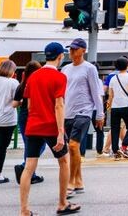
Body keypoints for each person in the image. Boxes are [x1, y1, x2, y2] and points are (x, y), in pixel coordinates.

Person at [19, 42, 79, 216]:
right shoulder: (60, 77)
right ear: (60, 57)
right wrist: (61, 132)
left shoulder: (33, 76)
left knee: (29, 166)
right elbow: (59, 105)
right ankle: (62, 203)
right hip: (51, 126)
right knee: (64, 161)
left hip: (33, 125)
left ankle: (24, 210)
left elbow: (29, 105)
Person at [61, 38, 104, 197]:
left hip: (84, 112)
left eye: (74, 49)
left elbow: (96, 92)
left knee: (73, 146)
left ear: (83, 50)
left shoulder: (90, 68)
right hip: (67, 112)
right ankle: (79, 181)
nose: (71, 52)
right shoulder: (65, 69)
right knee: (72, 149)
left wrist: (99, 114)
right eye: (70, 49)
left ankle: (71, 182)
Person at [13, 61, 45, 184]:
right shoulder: (38, 83)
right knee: (40, 145)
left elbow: (14, 104)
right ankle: (26, 167)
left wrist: (23, 102)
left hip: (23, 116)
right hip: (34, 115)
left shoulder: (21, 85)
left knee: (29, 145)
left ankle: (30, 172)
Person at [107, 56, 128, 160]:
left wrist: (109, 106)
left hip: (115, 107)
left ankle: (116, 152)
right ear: (127, 65)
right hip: (127, 106)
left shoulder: (113, 78)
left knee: (115, 129)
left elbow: (110, 95)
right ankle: (124, 147)